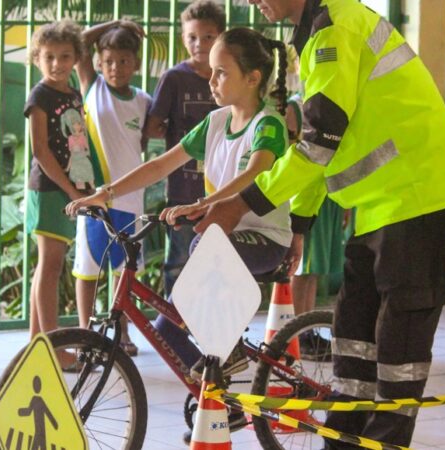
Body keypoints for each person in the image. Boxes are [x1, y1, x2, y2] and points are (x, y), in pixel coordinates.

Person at [196, 0, 445, 447]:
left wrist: (239, 204)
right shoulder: (312, 39)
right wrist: (300, 225)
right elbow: (316, 146)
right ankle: (343, 442)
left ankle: (384, 442)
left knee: (397, 344)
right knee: (353, 336)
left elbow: (320, 139)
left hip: (418, 197)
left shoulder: (336, 29)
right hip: (379, 207)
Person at [66, 26, 290, 436]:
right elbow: (161, 165)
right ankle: (222, 397)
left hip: (261, 240)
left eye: (221, 72)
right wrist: (106, 193)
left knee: (207, 244)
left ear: (253, 78)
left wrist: (203, 204)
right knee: (168, 326)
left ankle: (228, 350)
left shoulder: (268, 124)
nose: (211, 80)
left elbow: (257, 170)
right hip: (219, 240)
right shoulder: (216, 121)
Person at [72, 20, 151, 356]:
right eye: (108, 61)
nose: (116, 68)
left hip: (132, 199)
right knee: (88, 266)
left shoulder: (145, 101)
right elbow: (78, 42)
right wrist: (118, 24)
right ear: (98, 64)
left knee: (125, 270)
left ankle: (122, 332)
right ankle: (86, 331)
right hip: (95, 198)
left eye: (123, 60)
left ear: (136, 63)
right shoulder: (93, 87)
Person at [144, 0, 225, 298]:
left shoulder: (230, 77)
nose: (199, 44)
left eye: (208, 37)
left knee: (217, 264)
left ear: (221, 37)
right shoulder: (174, 78)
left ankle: (209, 328)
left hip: (221, 191)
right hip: (182, 189)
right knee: (178, 261)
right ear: (182, 38)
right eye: (192, 37)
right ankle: (173, 329)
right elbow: (153, 125)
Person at [24, 20, 89, 361]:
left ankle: (38, 343)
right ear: (37, 58)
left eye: (65, 57)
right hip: (50, 190)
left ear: (76, 58)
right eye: (49, 57)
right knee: (49, 267)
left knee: (51, 266)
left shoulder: (72, 92)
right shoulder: (41, 96)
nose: (57, 64)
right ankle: (52, 346)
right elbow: (41, 151)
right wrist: (70, 191)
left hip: (68, 191)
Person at [283, 94, 350, 359]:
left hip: (330, 193)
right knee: (302, 266)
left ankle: (307, 329)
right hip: (305, 195)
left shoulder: (339, 103)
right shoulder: (295, 108)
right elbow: (289, 154)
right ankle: (298, 333)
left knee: (315, 269)